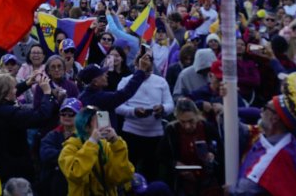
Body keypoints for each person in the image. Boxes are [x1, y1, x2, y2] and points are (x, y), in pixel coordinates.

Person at [234, 73, 296, 195]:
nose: (261, 111)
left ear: (274, 118)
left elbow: (243, 191)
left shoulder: (272, 158)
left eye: (265, 107)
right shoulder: (289, 143)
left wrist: (230, 190)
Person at [0, 72, 57, 183]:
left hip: (0, 163)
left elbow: (8, 94)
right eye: (14, 88)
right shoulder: (11, 114)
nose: (16, 90)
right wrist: (47, 93)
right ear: (5, 93)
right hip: (15, 169)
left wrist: (27, 84)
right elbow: (42, 116)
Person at [116, 46, 173, 181]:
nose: (147, 66)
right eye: (143, 62)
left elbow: (170, 104)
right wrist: (134, 112)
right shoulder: (126, 81)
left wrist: (163, 108)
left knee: (152, 172)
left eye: (149, 62)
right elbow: (117, 106)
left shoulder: (161, 81)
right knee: (129, 172)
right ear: (137, 63)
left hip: (155, 135)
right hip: (131, 133)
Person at [58, 104, 135, 195]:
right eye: (98, 122)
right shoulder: (70, 148)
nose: (103, 126)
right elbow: (76, 175)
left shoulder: (107, 146)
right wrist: (92, 143)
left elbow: (121, 177)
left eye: (103, 121)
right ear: (86, 127)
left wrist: (117, 146)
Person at [157, 98, 222, 195]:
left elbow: (221, 151)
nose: (187, 126)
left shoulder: (208, 128)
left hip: (208, 180)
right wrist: (175, 164)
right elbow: (161, 155)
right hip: (182, 182)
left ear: (197, 115)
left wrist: (212, 155)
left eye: (191, 121)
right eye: (182, 122)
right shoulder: (171, 131)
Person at [39, 98, 82, 196]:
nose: (66, 116)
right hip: (53, 185)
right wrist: (72, 156)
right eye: (63, 113)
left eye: (71, 113)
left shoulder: (85, 137)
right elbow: (46, 155)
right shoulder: (52, 134)